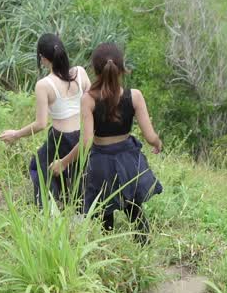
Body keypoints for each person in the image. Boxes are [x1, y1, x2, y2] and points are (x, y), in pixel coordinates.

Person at [50, 43, 162, 240]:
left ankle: (107, 248)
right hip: (129, 161)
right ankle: (143, 247)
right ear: (122, 68)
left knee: (104, 211)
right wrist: (156, 143)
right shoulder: (134, 96)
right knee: (134, 208)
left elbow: (86, 142)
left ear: (95, 69)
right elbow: (150, 135)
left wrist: (63, 162)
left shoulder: (89, 100)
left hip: (101, 163)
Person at [0, 33, 90, 206]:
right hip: (82, 137)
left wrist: (16, 134)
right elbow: (93, 104)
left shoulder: (44, 85)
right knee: (76, 173)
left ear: (42, 58)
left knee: (39, 167)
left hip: (59, 140)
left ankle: (47, 209)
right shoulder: (81, 73)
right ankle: (71, 203)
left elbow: (41, 124)